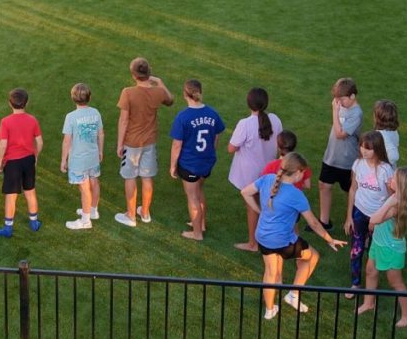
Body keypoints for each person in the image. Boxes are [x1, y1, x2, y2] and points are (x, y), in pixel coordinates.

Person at [241, 153, 347, 316]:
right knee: (313, 256)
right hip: (283, 241)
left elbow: (245, 192)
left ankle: (269, 310)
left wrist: (259, 211)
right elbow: (313, 223)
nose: (304, 175)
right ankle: (293, 294)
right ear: (297, 172)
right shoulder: (297, 195)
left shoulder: (267, 179)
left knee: (270, 272)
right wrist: (329, 239)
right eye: (303, 172)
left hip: (263, 237)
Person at [355, 166, 407, 326]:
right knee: (371, 271)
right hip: (379, 242)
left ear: (401, 187)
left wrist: (390, 200)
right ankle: (369, 302)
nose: (389, 180)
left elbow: (375, 219)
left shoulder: (396, 205)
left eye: (393, 179)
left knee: (395, 282)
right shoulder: (395, 198)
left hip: (390, 249)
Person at [115, 58, 174, 228]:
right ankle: (145, 213)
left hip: (132, 143)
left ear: (134, 75)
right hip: (150, 142)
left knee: (130, 177)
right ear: (149, 72)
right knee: (147, 177)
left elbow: (124, 121)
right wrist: (160, 82)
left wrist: (120, 144)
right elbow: (170, 100)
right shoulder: (158, 92)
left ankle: (131, 216)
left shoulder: (128, 92)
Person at [169, 79, 225, 241]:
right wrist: (211, 150)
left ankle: (197, 233)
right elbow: (217, 134)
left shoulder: (183, 116)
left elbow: (177, 145)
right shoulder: (212, 113)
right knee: (199, 192)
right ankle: (201, 224)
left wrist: (173, 166)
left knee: (192, 197)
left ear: (185, 94)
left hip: (190, 164)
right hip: (206, 162)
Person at [228, 87, 282, 252]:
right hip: (269, 170)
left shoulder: (245, 124)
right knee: (267, 203)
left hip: (249, 173)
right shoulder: (275, 119)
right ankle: (268, 237)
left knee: (252, 206)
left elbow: (231, 148)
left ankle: (253, 243)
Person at [344, 131, 395, 298]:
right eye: (361, 146)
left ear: (378, 149)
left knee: (374, 252)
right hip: (359, 211)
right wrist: (349, 217)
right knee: (356, 249)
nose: (363, 151)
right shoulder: (358, 164)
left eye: (368, 148)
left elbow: (391, 196)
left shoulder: (386, 170)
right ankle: (355, 283)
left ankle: (372, 283)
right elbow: (353, 189)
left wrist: (380, 219)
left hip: (378, 217)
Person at [0, 88, 43, 238]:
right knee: (30, 191)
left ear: (10, 103)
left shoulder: (6, 121)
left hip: (13, 163)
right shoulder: (32, 120)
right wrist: (35, 155)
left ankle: (8, 228)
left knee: (11, 195)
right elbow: (40, 142)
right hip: (28, 160)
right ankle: (34, 222)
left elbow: (3, 144)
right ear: (27, 102)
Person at [318, 77, 363, 230]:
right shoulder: (341, 105)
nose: (338, 102)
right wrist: (338, 109)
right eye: (336, 99)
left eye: (341, 99)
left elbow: (340, 133)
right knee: (324, 185)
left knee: (351, 191)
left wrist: (334, 112)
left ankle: (356, 223)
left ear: (352, 96)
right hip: (331, 156)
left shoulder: (356, 113)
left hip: (347, 161)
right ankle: (324, 221)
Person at [60, 83, 104, 230]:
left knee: (84, 189)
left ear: (73, 98)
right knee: (94, 181)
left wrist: (63, 159)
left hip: (78, 159)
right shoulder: (96, 113)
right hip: (93, 156)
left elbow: (67, 140)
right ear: (89, 97)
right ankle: (93, 210)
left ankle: (85, 220)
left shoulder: (71, 117)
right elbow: (101, 134)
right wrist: (100, 151)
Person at [373, 100, 400, 167]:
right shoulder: (393, 131)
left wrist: (380, 163)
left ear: (377, 118)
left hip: (382, 172)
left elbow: (394, 156)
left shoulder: (380, 135)